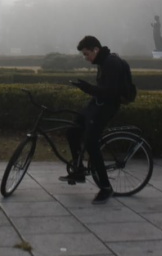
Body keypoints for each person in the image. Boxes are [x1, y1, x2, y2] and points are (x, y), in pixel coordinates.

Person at [62, 35, 125, 205]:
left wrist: (88, 88)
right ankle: (79, 170)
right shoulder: (103, 62)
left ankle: (105, 187)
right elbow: (101, 90)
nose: (86, 57)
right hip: (98, 104)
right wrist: (88, 89)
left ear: (96, 50)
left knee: (91, 143)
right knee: (73, 131)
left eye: (86, 53)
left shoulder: (111, 63)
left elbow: (110, 92)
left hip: (107, 107)